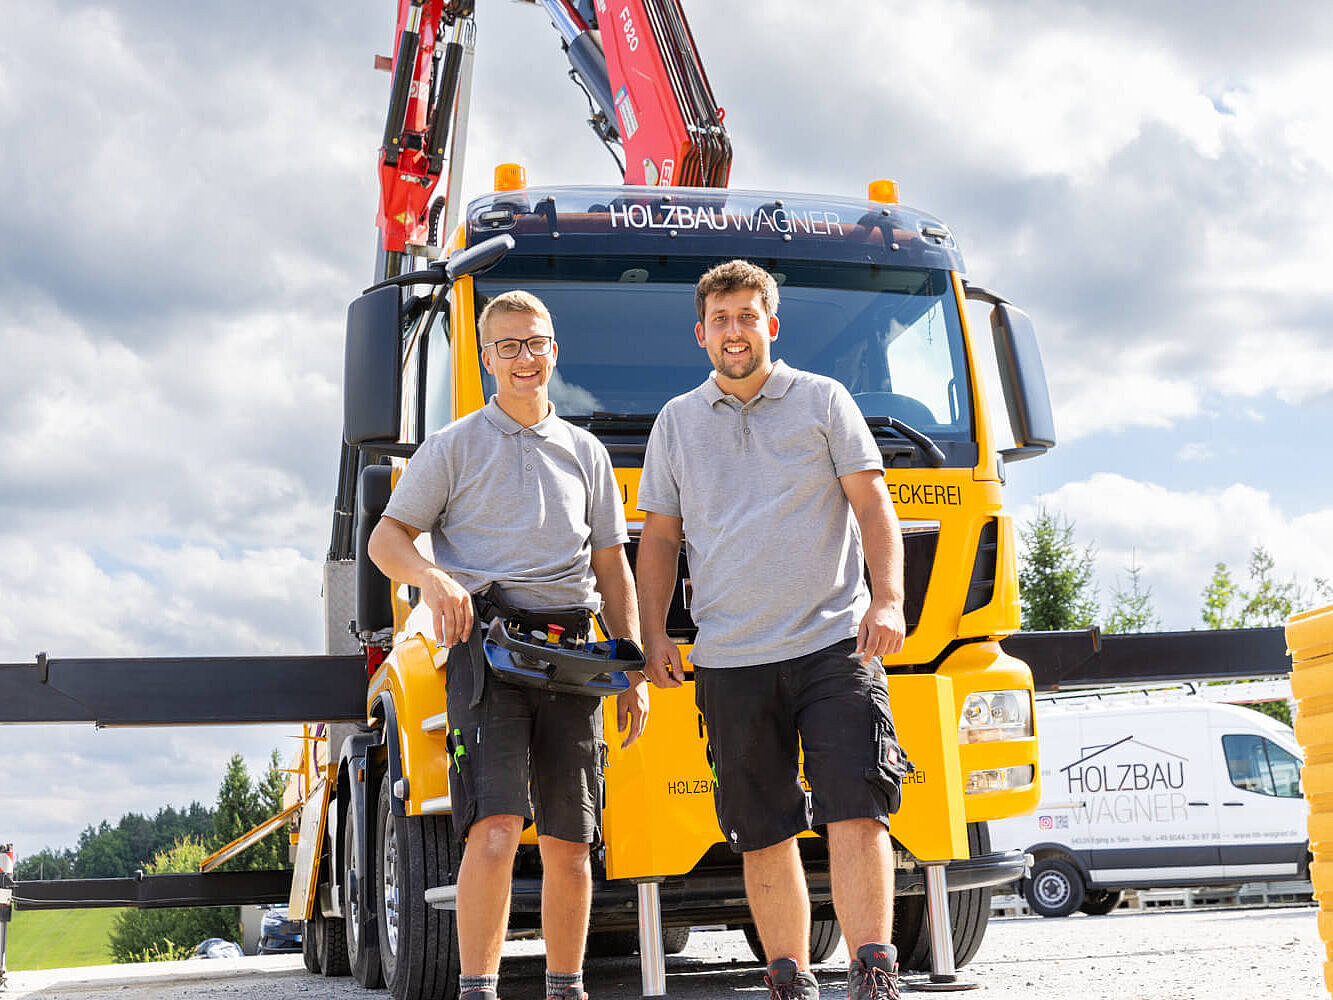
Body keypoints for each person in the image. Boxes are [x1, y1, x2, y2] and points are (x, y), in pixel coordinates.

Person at [635, 260, 908, 1000]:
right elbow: (659, 538)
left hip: (834, 645)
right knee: (761, 828)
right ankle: (790, 978)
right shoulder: (676, 422)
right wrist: (653, 633)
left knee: (858, 808)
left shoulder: (823, 400)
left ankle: (873, 973)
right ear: (700, 333)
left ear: (771, 326)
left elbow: (873, 506)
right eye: (720, 320)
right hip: (730, 657)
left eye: (746, 317)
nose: (734, 332)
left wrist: (887, 601)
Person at [368, 289, 649, 1000]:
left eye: (536, 343)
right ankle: (478, 989)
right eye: (508, 346)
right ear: (486, 358)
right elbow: (386, 540)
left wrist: (632, 667)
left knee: (572, 841)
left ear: (555, 350)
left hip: (573, 655)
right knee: (493, 830)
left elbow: (612, 568)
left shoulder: (587, 453)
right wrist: (433, 579)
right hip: (486, 651)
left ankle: (566, 988)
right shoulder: (453, 447)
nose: (525, 358)